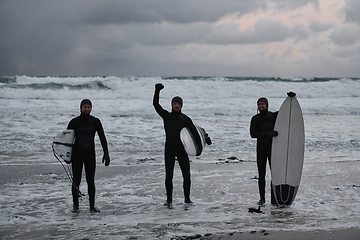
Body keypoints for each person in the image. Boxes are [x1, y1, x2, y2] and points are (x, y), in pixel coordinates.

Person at [153, 83, 211, 207]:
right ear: (172, 105)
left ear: (181, 105)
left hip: (182, 150)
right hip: (169, 149)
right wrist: (157, 90)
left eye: (178, 104)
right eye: (174, 103)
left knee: (186, 175)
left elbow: (196, 132)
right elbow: (156, 105)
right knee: (169, 175)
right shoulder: (167, 116)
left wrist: (206, 139)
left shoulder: (185, 119)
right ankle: (169, 200)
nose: (176, 105)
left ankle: (187, 199)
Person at [67, 99, 110, 213]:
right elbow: (67, 140)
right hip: (77, 155)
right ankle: (75, 207)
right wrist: (67, 156)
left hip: (90, 154)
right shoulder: (74, 122)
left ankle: (92, 206)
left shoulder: (95, 121)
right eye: (84, 107)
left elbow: (102, 137)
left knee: (90, 181)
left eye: (88, 107)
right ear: (81, 108)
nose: (86, 109)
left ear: (91, 108)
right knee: (76, 180)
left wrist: (106, 153)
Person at [250, 96, 278, 206]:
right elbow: (253, 134)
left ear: (266, 105)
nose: (260, 106)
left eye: (262, 104)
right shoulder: (255, 119)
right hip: (261, 149)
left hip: (273, 149)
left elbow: (287, 112)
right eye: (258, 104)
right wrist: (267, 134)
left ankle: (274, 199)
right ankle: (262, 199)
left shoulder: (273, 116)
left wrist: (291, 98)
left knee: (274, 175)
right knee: (261, 175)